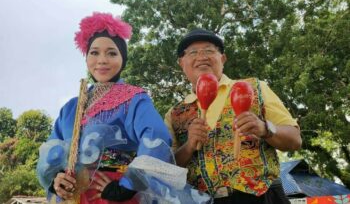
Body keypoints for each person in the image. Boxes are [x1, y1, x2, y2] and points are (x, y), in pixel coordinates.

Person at [37, 12, 173, 203]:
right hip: (72, 196)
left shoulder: (134, 98)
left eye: (111, 53)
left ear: (123, 59)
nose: (102, 60)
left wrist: (129, 184)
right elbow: (51, 149)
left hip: (113, 193)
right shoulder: (70, 108)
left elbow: (156, 136)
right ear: (86, 58)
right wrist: (55, 179)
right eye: (94, 53)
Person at [165, 28, 302, 204]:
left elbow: (295, 139)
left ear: (223, 58)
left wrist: (265, 128)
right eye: (192, 52)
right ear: (181, 63)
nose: (201, 56)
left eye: (209, 50)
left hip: (262, 197)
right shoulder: (174, 113)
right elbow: (167, 169)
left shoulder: (254, 88)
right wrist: (189, 146)